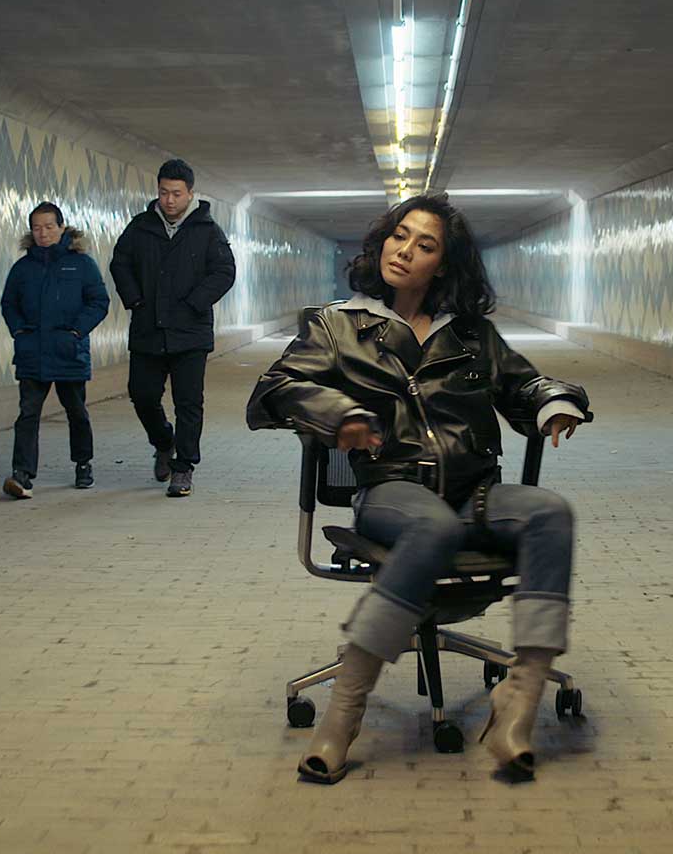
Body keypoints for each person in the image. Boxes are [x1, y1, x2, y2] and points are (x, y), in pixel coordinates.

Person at [247, 193, 593, 784]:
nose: (404, 251)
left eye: (425, 245)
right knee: (434, 524)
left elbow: (526, 384)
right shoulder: (337, 327)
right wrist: (338, 413)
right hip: (392, 490)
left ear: (445, 265)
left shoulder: (471, 336)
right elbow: (274, 390)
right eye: (400, 236)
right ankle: (343, 714)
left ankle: (519, 703)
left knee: (550, 513)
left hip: (474, 491)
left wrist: (555, 402)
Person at [109, 159, 235, 498]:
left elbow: (224, 272)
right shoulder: (141, 227)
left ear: (190, 193)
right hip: (148, 329)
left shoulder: (207, 230)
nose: (169, 200)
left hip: (190, 333)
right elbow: (119, 263)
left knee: (188, 403)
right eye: (164, 192)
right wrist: (134, 300)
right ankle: (163, 441)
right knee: (142, 394)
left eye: (176, 194)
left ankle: (184, 468)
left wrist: (196, 302)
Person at [0, 202, 110, 499]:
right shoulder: (22, 268)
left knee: (76, 412)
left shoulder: (81, 264)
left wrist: (76, 332)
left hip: (67, 351)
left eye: (49, 227)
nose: (43, 233)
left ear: (62, 228)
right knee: (28, 414)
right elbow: (8, 303)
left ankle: (83, 463)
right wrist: (19, 332)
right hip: (32, 352)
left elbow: (99, 301)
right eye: (37, 228)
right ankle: (22, 473)